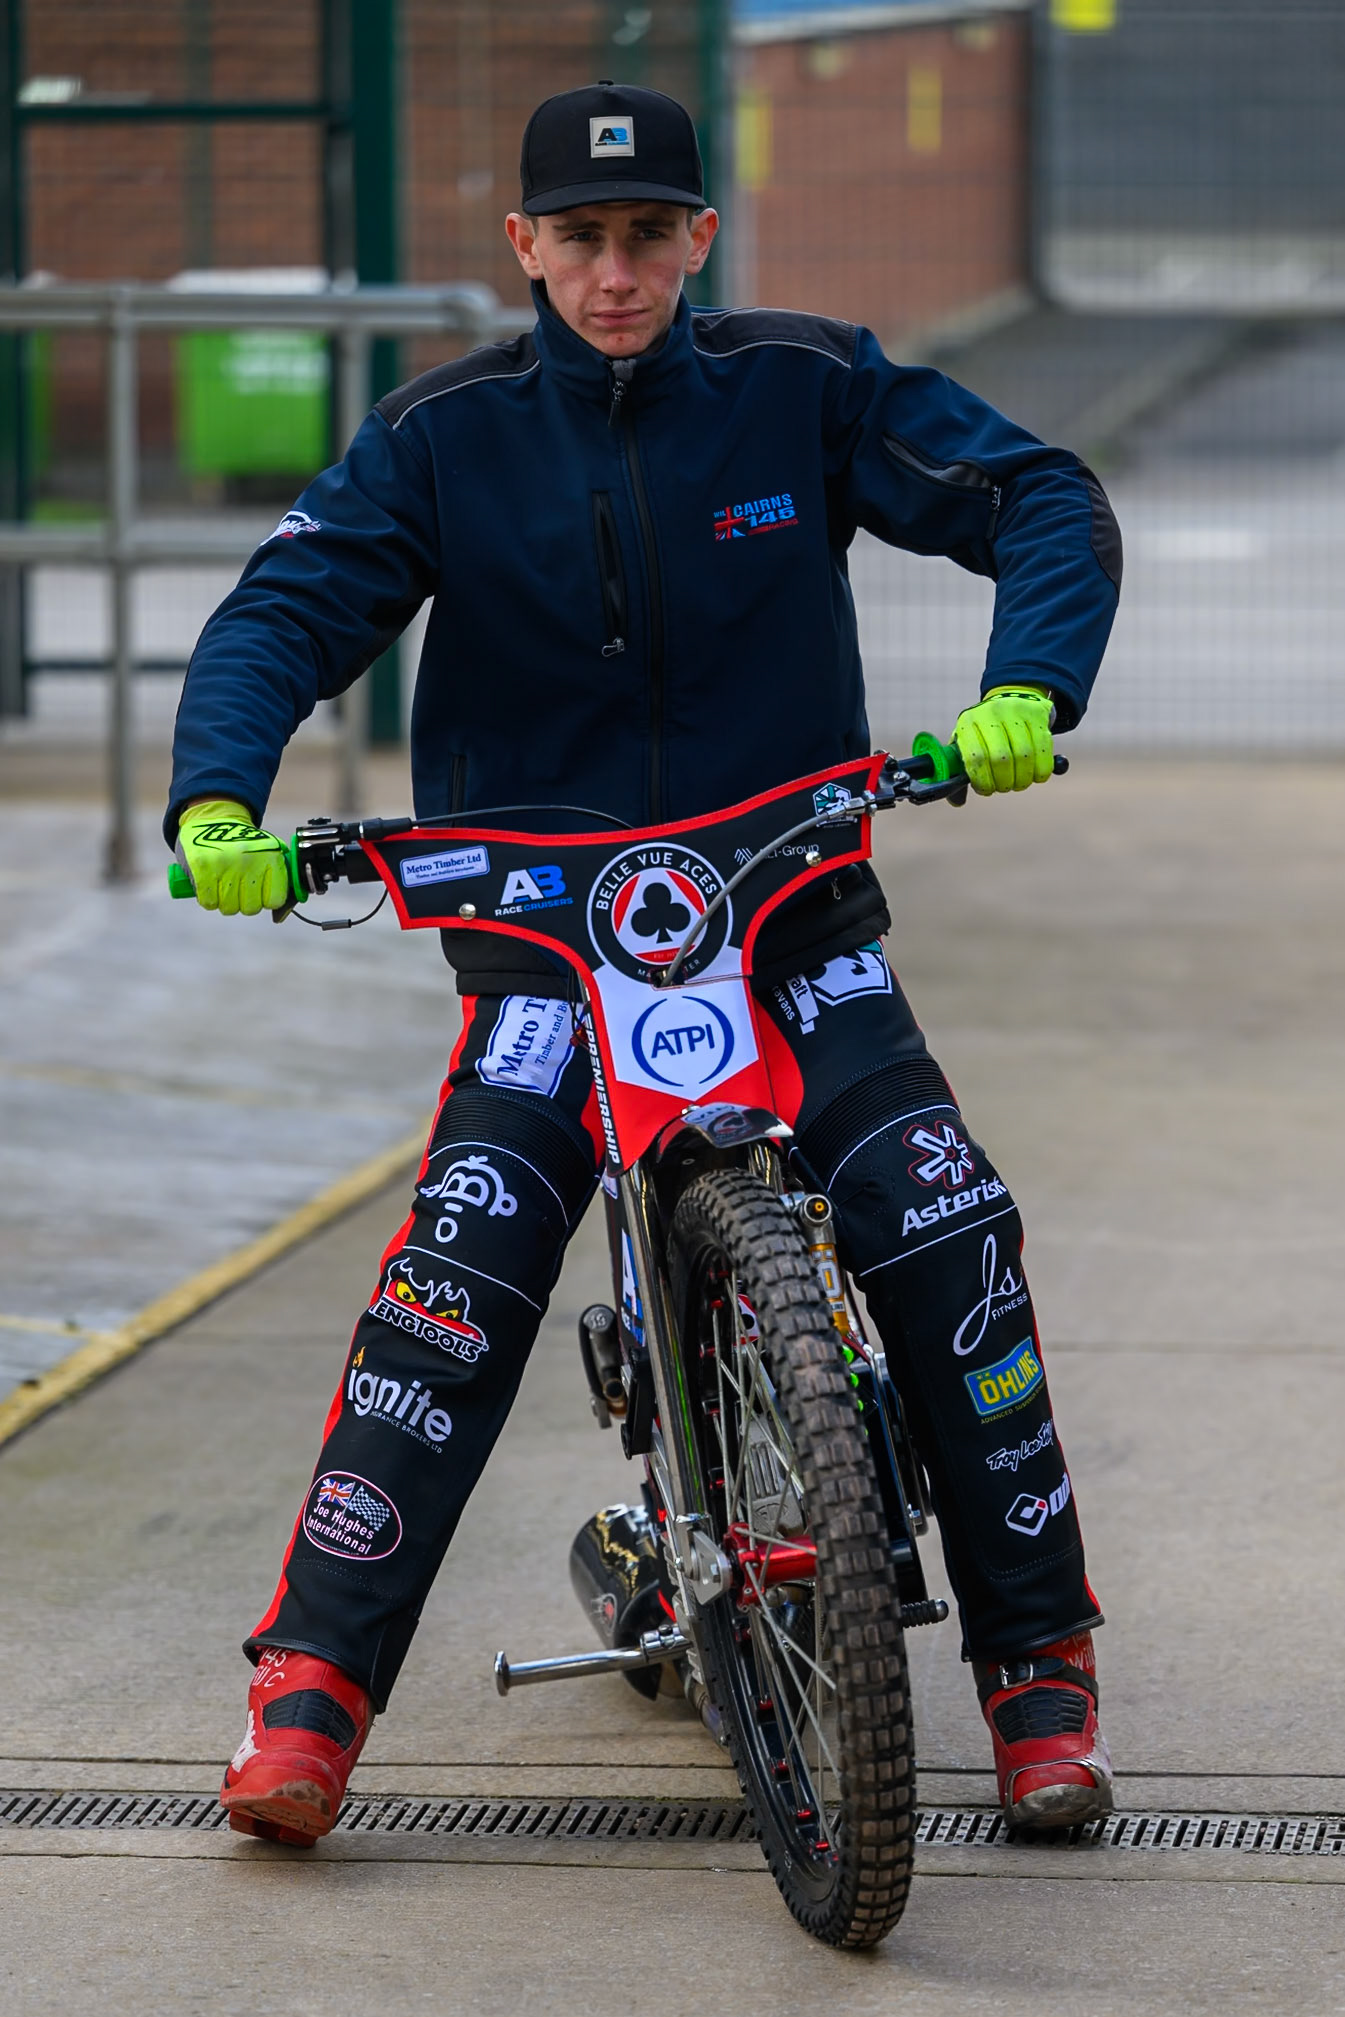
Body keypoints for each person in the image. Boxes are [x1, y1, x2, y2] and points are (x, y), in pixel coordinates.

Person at [167, 81, 1122, 1846]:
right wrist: (219, 798)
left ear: (697, 235)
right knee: (451, 1274)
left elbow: (1035, 493)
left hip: (791, 931)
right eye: (580, 238)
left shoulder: (805, 384)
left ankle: (1038, 1672)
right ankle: (307, 1695)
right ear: (524, 247)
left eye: (649, 233)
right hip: (543, 954)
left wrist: (1022, 692)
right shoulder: (439, 439)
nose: (616, 272)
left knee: (939, 1218)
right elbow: (280, 615)